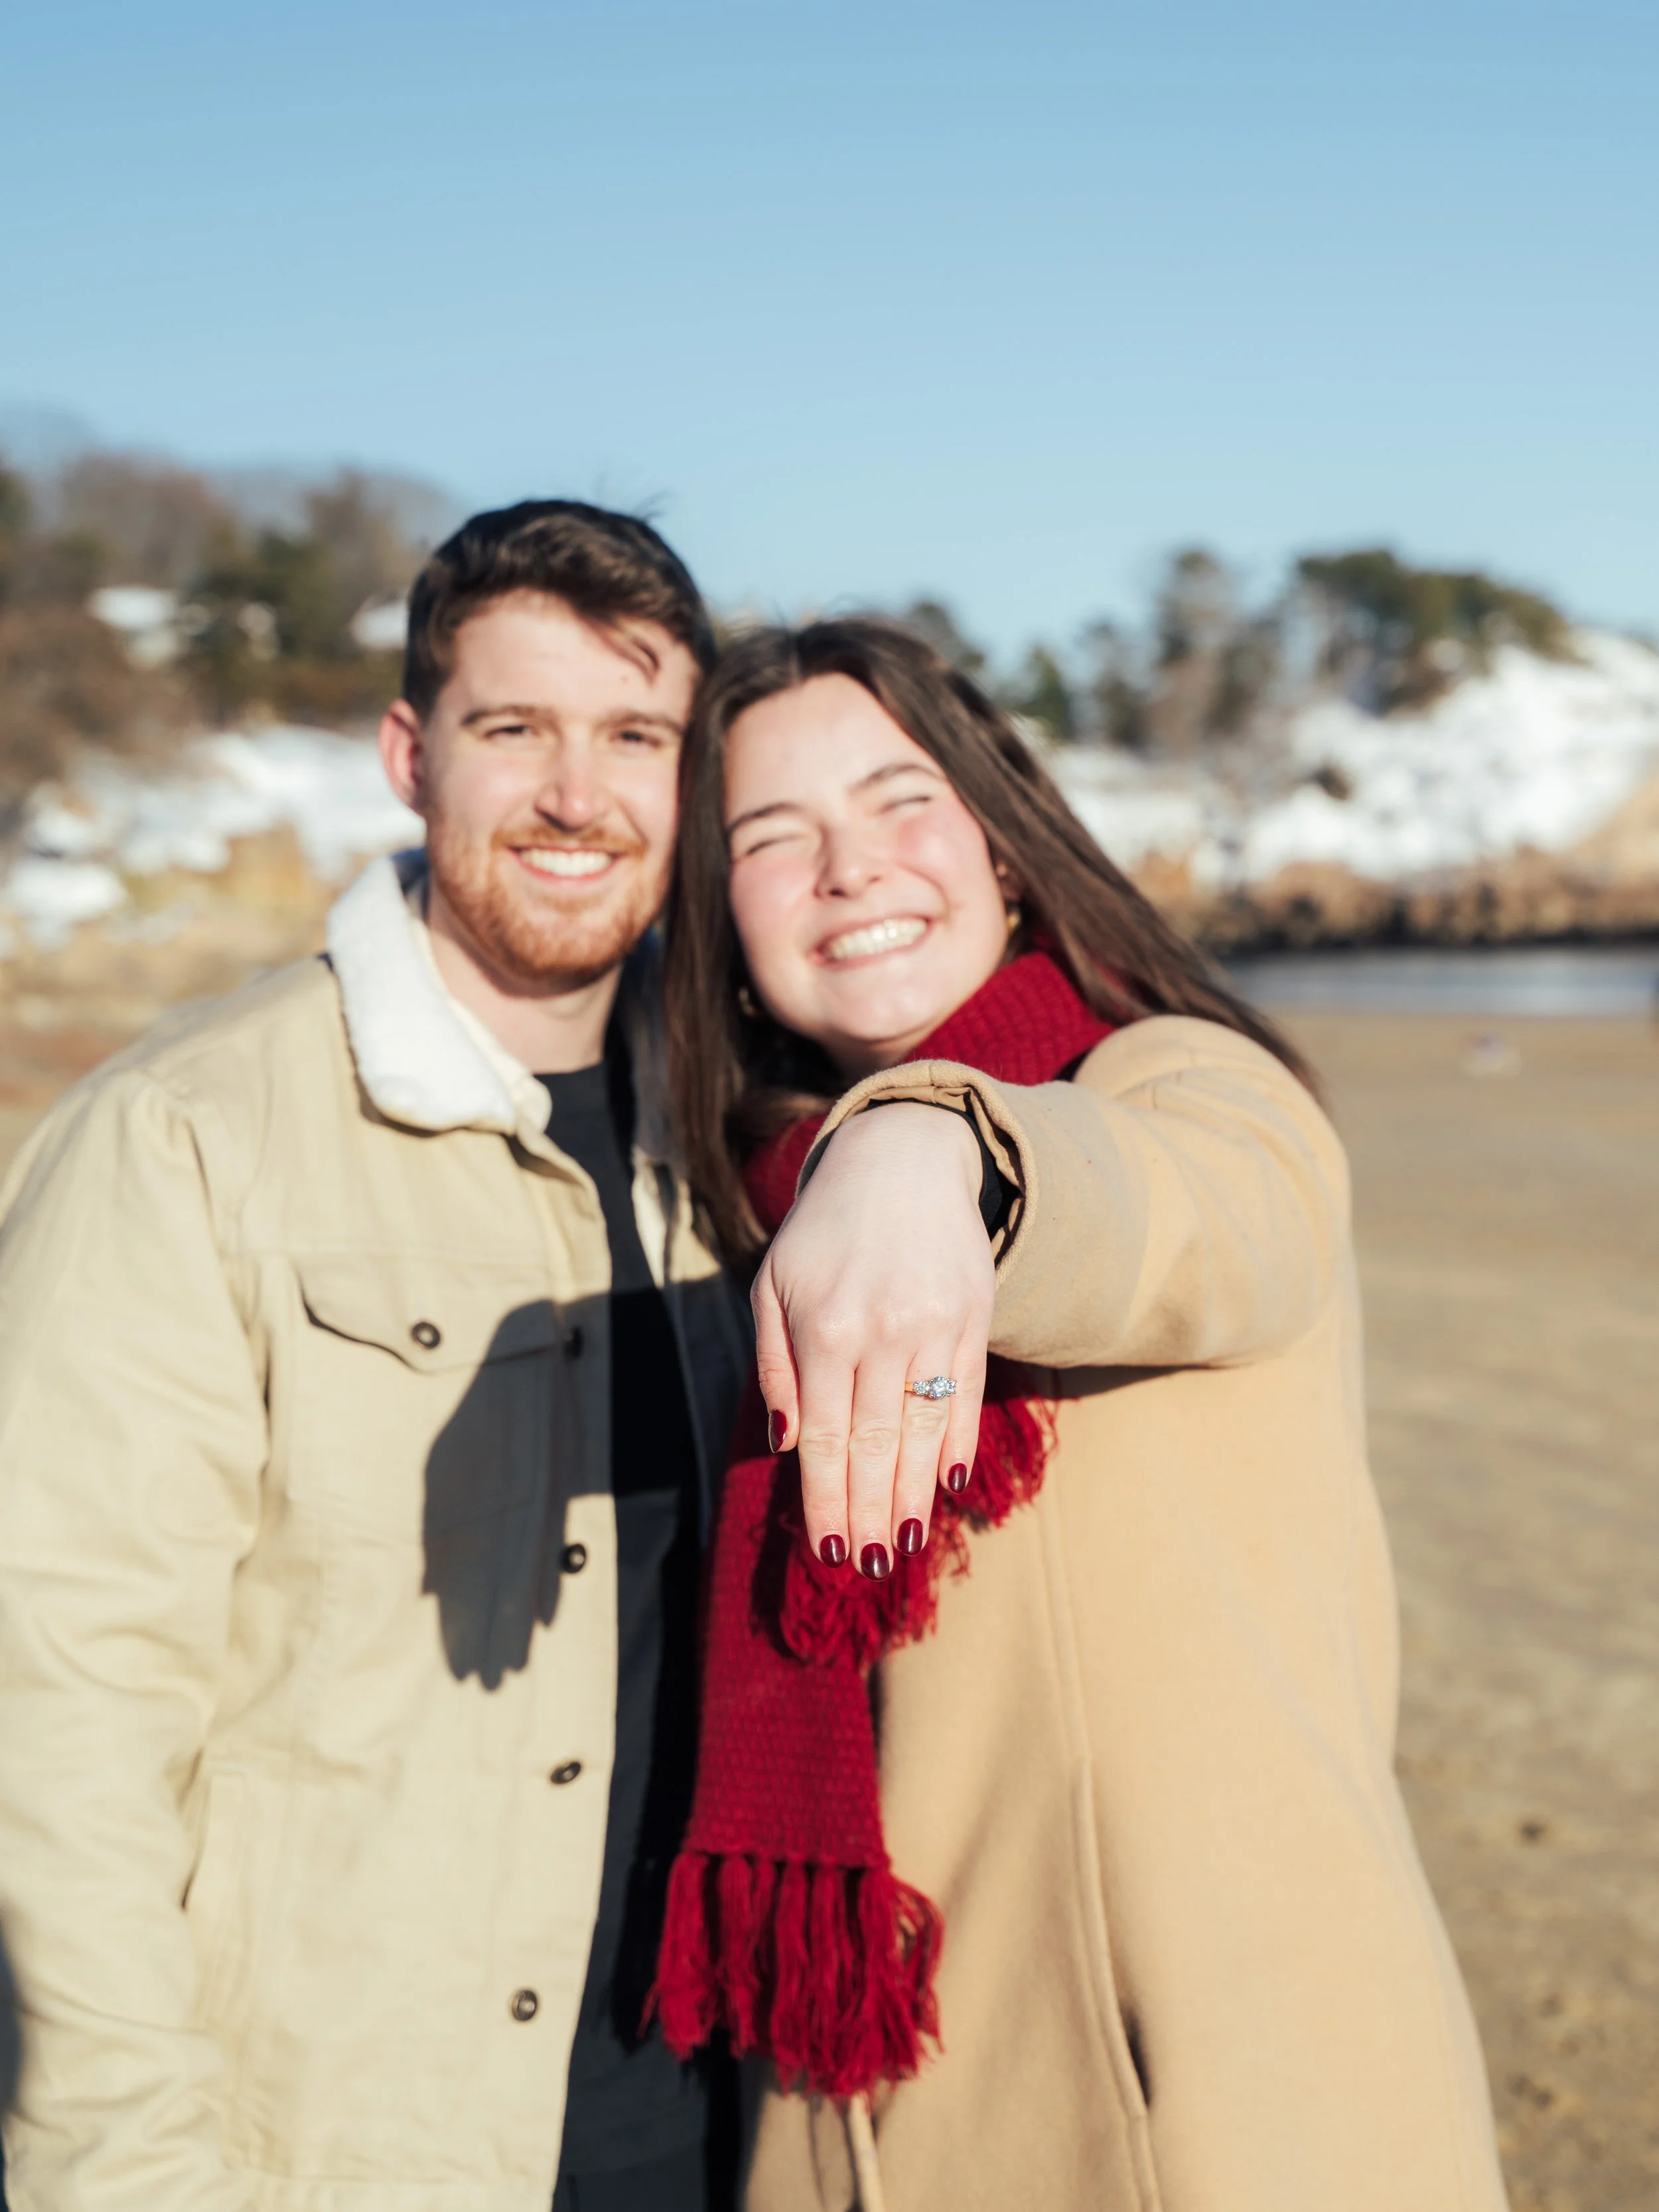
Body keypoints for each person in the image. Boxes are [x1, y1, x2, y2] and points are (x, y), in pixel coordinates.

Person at [654, 617, 1511, 2212]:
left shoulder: (1179, 1087)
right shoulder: (752, 1229)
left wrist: (937, 1143)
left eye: (897, 799)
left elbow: (1199, 1222)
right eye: (771, 837)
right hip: (851, 2116)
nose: (847, 866)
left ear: (1003, 843)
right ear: (723, 918)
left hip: (1217, 2118)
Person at [0, 500, 764, 2212]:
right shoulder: (185, 1135)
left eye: (634, 736)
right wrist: (127, 2174)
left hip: (712, 2133)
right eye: (517, 732)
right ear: (411, 756)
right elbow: (58, 1717)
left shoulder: (743, 1139)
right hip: (345, 2146)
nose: (579, 795)